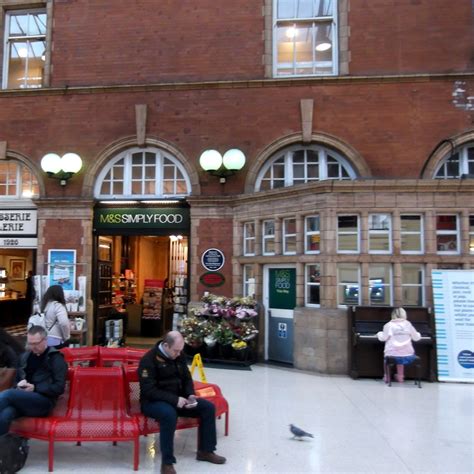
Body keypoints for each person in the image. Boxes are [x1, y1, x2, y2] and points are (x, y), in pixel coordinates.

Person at [138, 331, 226, 474]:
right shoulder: (148, 360)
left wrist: (190, 394)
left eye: (180, 351)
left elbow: (186, 378)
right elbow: (149, 391)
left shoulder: (179, 355)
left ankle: (206, 451)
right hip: (153, 402)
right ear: (166, 345)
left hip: (179, 399)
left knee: (208, 408)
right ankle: (167, 464)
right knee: (169, 414)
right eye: (176, 351)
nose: (178, 354)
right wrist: (175, 400)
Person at [0, 325, 67, 435]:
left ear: (45, 340)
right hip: (24, 400)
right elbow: (16, 380)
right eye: (30, 344)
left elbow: (59, 388)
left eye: (36, 343)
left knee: (8, 394)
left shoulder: (55, 358)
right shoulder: (25, 357)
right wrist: (19, 386)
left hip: (44, 402)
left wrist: (35, 388)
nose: (33, 347)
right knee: (5, 414)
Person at [377, 307, 421, 383]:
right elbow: (416, 338)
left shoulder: (388, 325)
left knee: (388, 356)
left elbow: (383, 338)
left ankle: (387, 376)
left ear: (393, 315)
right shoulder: (408, 324)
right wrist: (418, 334)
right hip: (408, 355)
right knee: (402, 353)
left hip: (392, 354)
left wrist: (379, 334)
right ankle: (400, 377)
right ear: (404, 314)